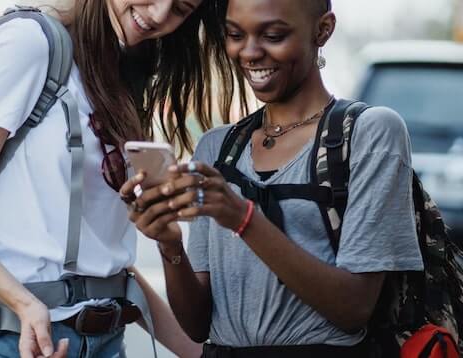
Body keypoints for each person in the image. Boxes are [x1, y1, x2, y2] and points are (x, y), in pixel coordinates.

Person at [0, 0, 244, 357]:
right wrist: (26, 306)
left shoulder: (117, 73)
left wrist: (201, 353)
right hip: (14, 342)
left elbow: (102, 266)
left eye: (181, 9)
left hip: (105, 341)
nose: (158, 15)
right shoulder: (28, 43)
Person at [122, 0, 424, 357]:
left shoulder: (367, 132)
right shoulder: (217, 148)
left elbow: (353, 308)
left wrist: (243, 217)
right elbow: (197, 325)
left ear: (323, 30)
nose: (249, 52)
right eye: (235, 34)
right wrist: (169, 246)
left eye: (273, 35)